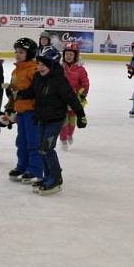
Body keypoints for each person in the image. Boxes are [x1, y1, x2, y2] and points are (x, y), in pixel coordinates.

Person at [31, 46, 87, 195]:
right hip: (42, 118)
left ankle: (56, 178)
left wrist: (80, 115)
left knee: (46, 148)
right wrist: (15, 93)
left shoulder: (59, 81)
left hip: (55, 119)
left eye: (44, 64)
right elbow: (31, 93)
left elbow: (71, 98)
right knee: (40, 148)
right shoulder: (38, 77)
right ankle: (48, 175)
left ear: (52, 65)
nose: (40, 67)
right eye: (39, 64)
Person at [3, 37, 43, 184]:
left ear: (30, 53)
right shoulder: (15, 71)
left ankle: (35, 170)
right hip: (21, 112)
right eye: (16, 52)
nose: (17, 55)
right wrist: (10, 104)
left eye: (21, 52)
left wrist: (24, 93)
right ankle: (22, 166)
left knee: (33, 142)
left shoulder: (34, 69)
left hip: (33, 112)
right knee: (21, 142)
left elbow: (38, 89)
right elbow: (14, 93)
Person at [59, 42, 89, 150]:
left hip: (74, 100)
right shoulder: (60, 67)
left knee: (72, 121)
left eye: (71, 54)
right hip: (61, 99)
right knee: (63, 120)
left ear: (76, 56)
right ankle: (63, 139)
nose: (68, 56)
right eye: (66, 54)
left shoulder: (80, 70)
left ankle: (70, 134)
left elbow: (85, 84)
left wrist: (80, 96)